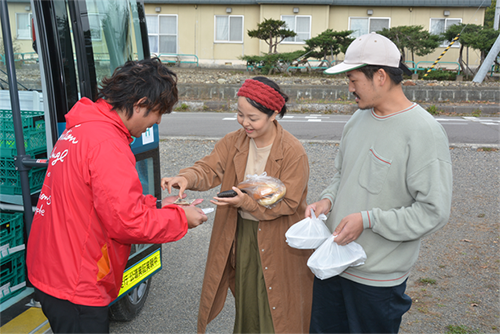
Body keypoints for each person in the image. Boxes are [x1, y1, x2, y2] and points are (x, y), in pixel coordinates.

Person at [26, 57, 207, 334]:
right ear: (139, 105)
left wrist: (159, 206)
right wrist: (181, 220)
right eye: (158, 112)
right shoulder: (107, 143)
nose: (157, 122)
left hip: (56, 267)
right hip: (77, 281)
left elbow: (95, 202)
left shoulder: (83, 129)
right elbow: (127, 222)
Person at [306, 33, 453, 334]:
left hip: (377, 281)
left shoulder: (423, 131)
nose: (349, 88)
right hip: (333, 264)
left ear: (381, 76)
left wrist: (368, 220)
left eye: (353, 79)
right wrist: (328, 200)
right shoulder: (356, 121)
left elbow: (433, 211)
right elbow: (341, 176)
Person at [161, 77, 314, 334]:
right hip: (243, 235)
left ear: (274, 114)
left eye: (253, 118)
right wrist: (186, 177)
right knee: (248, 304)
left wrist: (246, 202)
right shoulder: (235, 141)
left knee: (279, 308)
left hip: (280, 239)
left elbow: (289, 203)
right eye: (240, 115)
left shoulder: (292, 151)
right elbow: (209, 167)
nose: (245, 123)